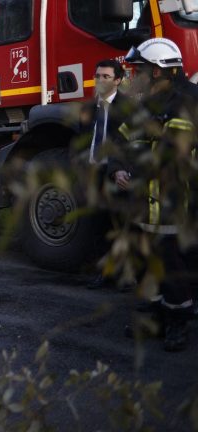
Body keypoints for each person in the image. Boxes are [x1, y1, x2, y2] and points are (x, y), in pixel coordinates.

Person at [116, 37, 198, 352]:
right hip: (143, 204)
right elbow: (120, 142)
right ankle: (154, 319)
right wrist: (116, 169)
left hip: (173, 202)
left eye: (141, 70)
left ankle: (177, 324)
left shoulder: (185, 103)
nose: (135, 76)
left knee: (174, 267)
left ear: (160, 71)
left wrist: (133, 174)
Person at [82, 59, 136, 290]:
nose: (100, 80)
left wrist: (122, 170)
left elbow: (130, 144)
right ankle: (105, 273)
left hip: (116, 173)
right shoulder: (88, 107)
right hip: (94, 172)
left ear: (118, 80)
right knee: (97, 225)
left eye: (105, 77)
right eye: (97, 76)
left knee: (121, 225)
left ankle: (126, 276)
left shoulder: (128, 108)